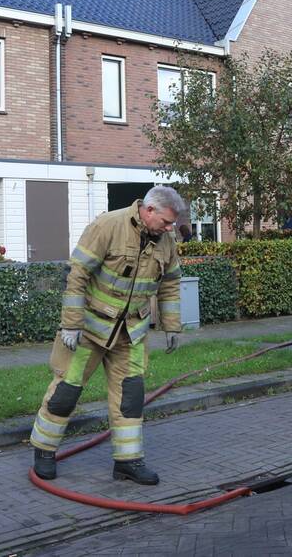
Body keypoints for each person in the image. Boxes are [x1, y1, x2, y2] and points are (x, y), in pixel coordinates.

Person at [30, 186, 185, 485]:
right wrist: (71, 324)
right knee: (66, 392)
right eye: (166, 222)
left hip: (131, 334)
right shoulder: (108, 225)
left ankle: (128, 461)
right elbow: (77, 274)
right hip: (89, 330)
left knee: (131, 398)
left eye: (172, 224)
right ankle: (44, 451)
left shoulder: (166, 240)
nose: (169, 229)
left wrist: (172, 325)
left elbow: (170, 283)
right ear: (149, 210)